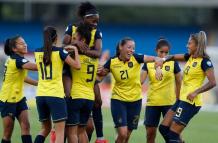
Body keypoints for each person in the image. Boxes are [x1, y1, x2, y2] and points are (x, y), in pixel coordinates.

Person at [97, 37, 164, 143]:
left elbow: (157, 59)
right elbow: (100, 77)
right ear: (121, 47)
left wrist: (158, 69)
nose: (132, 50)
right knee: (122, 133)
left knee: (127, 135)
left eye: (133, 48)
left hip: (135, 101)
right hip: (118, 100)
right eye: (129, 47)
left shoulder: (136, 58)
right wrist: (98, 72)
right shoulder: (112, 62)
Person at [158, 31, 216, 143]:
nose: (187, 45)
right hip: (182, 99)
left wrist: (195, 92)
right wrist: (163, 60)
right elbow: (172, 56)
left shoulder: (205, 62)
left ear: (197, 45)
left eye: (189, 43)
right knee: (163, 128)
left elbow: (213, 82)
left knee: (173, 134)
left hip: (190, 102)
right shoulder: (189, 57)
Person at [63, 2, 107, 143]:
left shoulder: (97, 32)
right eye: (93, 20)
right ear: (84, 18)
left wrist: (81, 50)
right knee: (77, 127)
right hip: (74, 71)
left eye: (97, 21)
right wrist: (75, 44)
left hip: (82, 71)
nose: (95, 24)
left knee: (98, 101)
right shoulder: (72, 28)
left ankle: (99, 136)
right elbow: (63, 47)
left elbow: (98, 52)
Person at [34, 26, 80, 143]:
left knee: (44, 129)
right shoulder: (60, 51)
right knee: (60, 132)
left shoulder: (37, 52)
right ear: (56, 38)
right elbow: (77, 66)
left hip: (40, 95)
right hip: (55, 95)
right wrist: (75, 50)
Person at [140, 38, 182, 143]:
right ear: (156, 51)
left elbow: (179, 81)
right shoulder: (148, 63)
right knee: (150, 134)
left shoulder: (173, 62)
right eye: (161, 52)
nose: (163, 54)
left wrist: (179, 97)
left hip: (169, 103)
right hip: (152, 102)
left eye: (166, 52)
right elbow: (140, 81)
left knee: (172, 134)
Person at [0, 35, 38, 143]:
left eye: (24, 42)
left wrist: (38, 83)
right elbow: (36, 67)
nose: (25, 44)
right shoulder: (16, 60)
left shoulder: (19, 59)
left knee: (26, 126)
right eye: (21, 43)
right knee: (8, 133)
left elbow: (23, 77)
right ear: (14, 49)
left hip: (19, 98)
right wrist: (51, 60)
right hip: (8, 99)